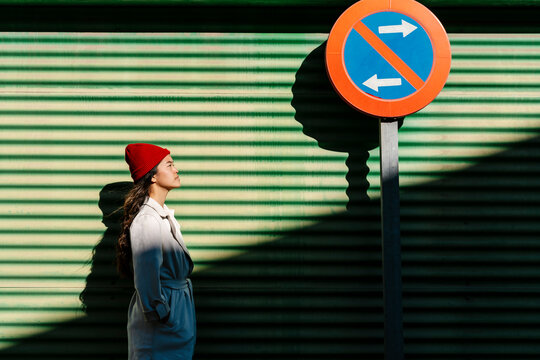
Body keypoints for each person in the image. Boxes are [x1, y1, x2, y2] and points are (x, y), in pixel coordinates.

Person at [116, 143, 196, 360]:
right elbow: (146, 273)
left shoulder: (163, 215)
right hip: (162, 320)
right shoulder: (147, 220)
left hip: (176, 312)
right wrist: (160, 313)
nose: (176, 170)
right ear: (152, 176)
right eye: (169, 165)